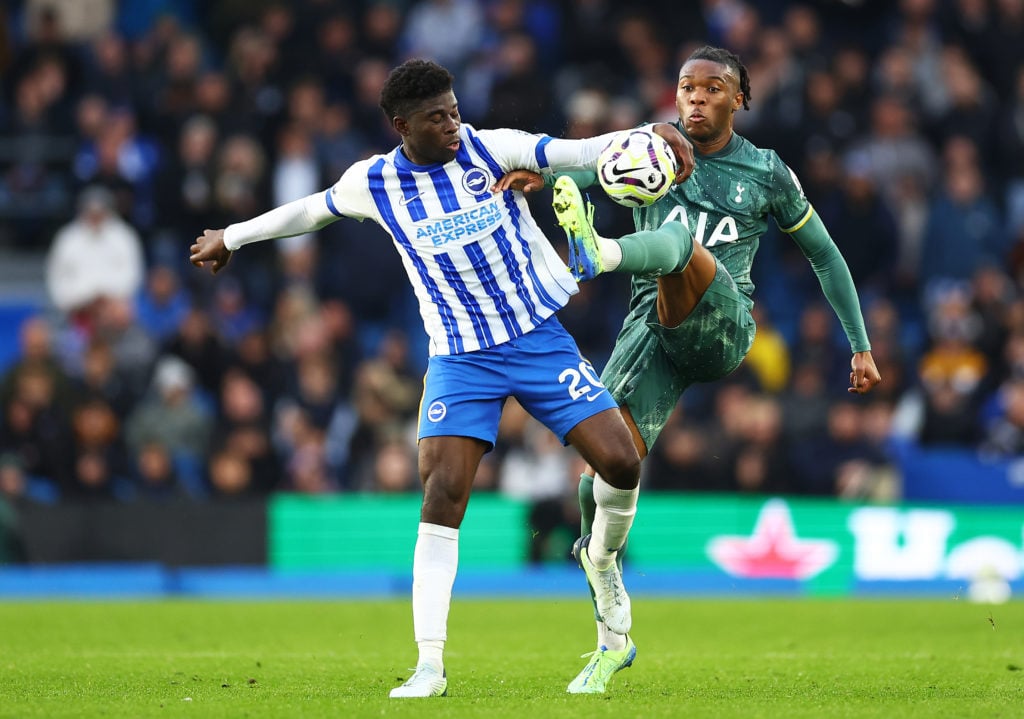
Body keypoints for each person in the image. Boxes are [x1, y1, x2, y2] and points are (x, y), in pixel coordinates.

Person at [190, 58, 695, 699]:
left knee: (622, 464)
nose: (454, 124)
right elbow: (309, 212)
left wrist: (649, 130)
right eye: (437, 118)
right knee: (442, 495)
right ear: (403, 125)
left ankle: (602, 564)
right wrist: (231, 237)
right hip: (460, 358)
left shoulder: (493, 149)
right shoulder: (372, 182)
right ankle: (430, 664)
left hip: (537, 337)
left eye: (454, 110)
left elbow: (586, 152)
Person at [496, 45, 882, 694]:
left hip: (723, 323)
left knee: (679, 247)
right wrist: (547, 178)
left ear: (739, 99)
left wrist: (860, 344)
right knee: (602, 476)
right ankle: (609, 622)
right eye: (686, 88)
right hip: (650, 332)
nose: (696, 98)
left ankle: (598, 252)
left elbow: (824, 254)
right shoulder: (649, 147)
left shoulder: (765, 172)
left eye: (712, 89)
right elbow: (588, 166)